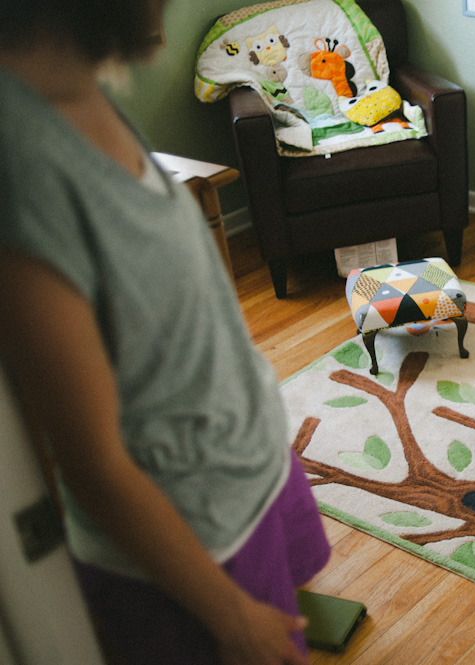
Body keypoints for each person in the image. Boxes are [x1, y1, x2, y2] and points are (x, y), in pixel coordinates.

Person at [0, 2, 330, 664]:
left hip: (250, 471)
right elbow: (91, 462)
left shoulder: (87, 88)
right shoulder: (22, 160)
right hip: (191, 549)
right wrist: (230, 613)